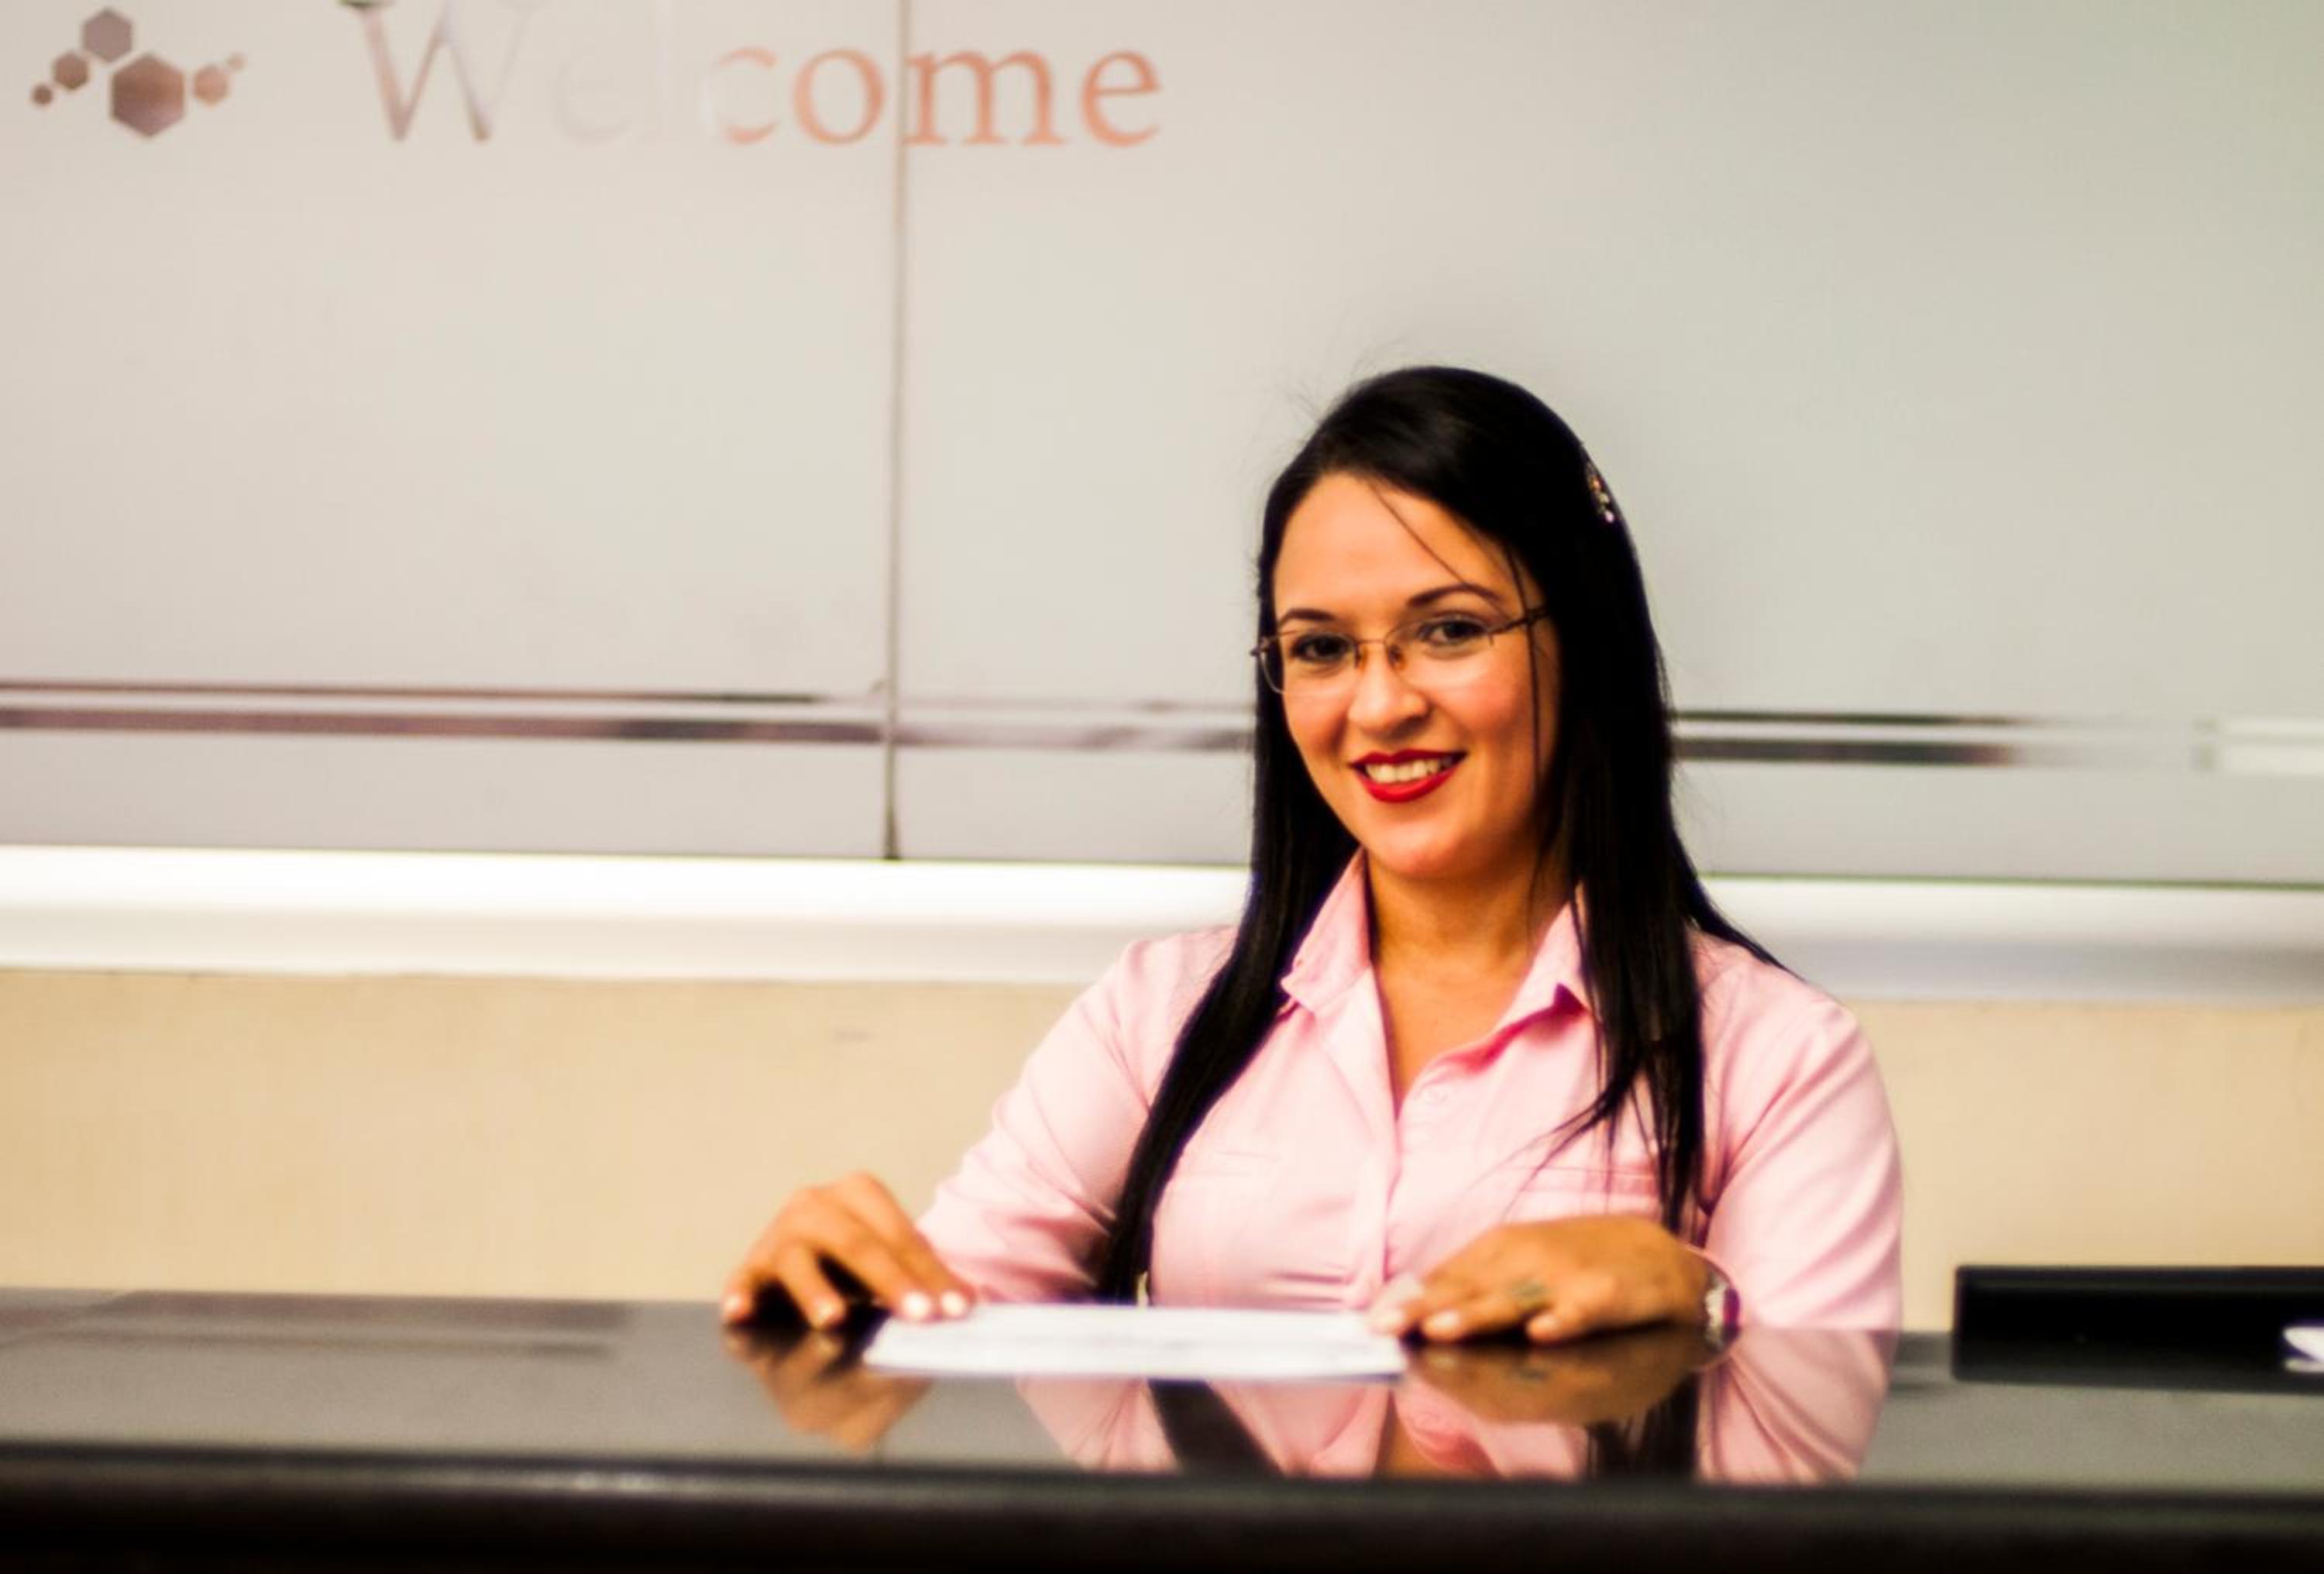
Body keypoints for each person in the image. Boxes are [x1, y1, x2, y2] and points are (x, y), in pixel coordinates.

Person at [724, 366, 1902, 1343]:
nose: (1379, 706)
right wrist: (849, 1290)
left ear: (1583, 645)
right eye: (1322, 648)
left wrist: (1697, 1300)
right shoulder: (1159, 1013)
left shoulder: (1777, 1058)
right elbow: (954, 1317)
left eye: (1449, 631)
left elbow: (1814, 1480)